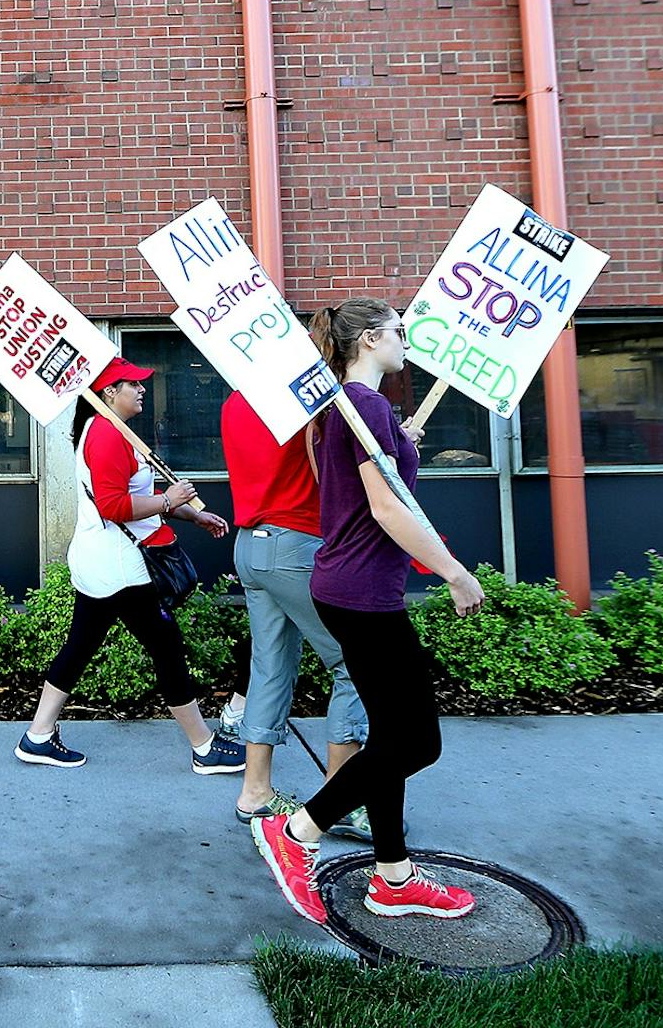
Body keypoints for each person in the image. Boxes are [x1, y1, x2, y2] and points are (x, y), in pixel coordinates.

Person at [252, 298, 488, 923]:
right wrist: (455, 573)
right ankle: (299, 829)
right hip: (363, 592)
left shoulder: (344, 409)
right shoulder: (366, 406)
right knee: (417, 740)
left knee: (389, 736)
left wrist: (400, 443)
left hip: (348, 584)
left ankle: (392, 876)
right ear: (371, 340)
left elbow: (365, 486)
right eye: (399, 333)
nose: (405, 343)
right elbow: (385, 510)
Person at [15, 357, 242, 774]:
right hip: (121, 567)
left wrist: (192, 514)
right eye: (132, 385)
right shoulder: (104, 434)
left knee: (81, 644)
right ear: (108, 394)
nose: (141, 390)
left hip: (103, 562)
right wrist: (170, 500)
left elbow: (139, 494)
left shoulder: (114, 432)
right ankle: (204, 747)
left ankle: (37, 736)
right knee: (166, 646)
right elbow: (114, 505)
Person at [220, 387, 375, 836]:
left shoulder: (236, 400)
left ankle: (256, 794)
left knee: (269, 666)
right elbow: (338, 467)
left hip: (252, 543)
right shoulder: (301, 397)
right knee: (356, 661)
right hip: (296, 542)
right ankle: (339, 801)